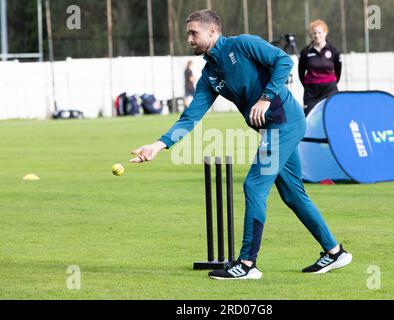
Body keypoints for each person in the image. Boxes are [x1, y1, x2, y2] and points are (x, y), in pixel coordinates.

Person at [130, 10, 352, 280]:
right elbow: (190, 118)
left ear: (212, 32)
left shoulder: (242, 44)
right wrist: (158, 145)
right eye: (188, 33)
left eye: (193, 33)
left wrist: (266, 97)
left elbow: (283, 61)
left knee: (254, 185)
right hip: (275, 128)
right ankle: (334, 252)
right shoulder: (209, 74)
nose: (188, 38)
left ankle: (247, 264)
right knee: (293, 194)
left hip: (284, 122)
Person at [298, 20, 342, 116]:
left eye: (319, 33)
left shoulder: (333, 50)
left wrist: (330, 82)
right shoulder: (306, 52)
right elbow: (301, 72)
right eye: (314, 33)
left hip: (329, 89)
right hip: (311, 91)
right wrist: (309, 85)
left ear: (325, 33)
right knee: (309, 116)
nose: (317, 36)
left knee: (332, 115)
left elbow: (338, 71)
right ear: (311, 35)